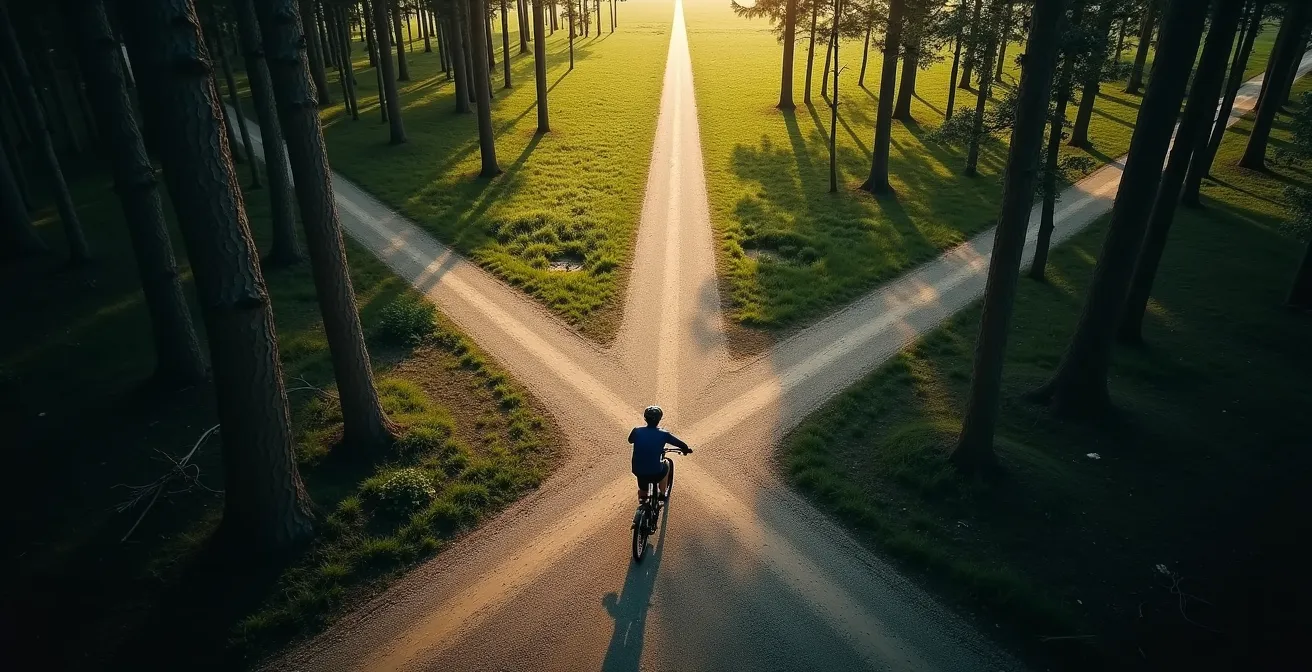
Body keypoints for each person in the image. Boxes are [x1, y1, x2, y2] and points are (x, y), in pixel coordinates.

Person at [628, 405, 690, 501]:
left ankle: (642, 502)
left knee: (642, 487)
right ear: (659, 419)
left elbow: (630, 440)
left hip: (638, 470)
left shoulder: (637, 431)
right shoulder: (664, 434)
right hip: (655, 471)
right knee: (666, 465)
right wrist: (686, 449)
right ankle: (662, 493)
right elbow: (680, 444)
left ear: (645, 418)